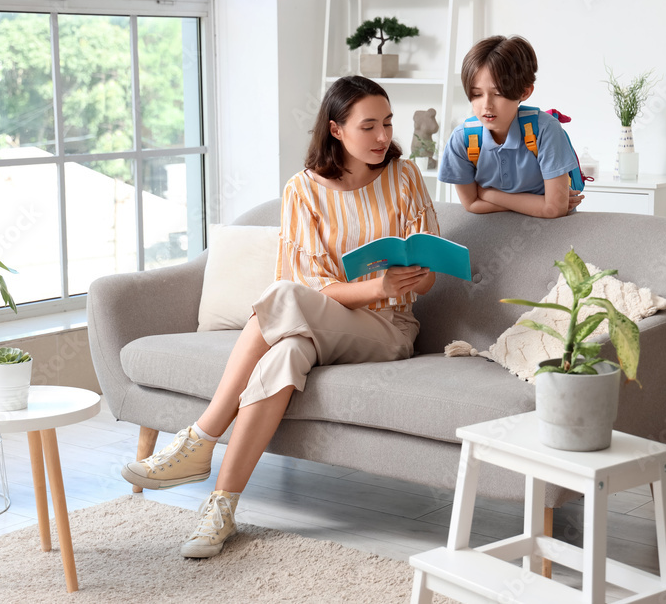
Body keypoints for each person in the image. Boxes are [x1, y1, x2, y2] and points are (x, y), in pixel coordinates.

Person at [121, 76, 438, 558]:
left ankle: (201, 437)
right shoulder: (302, 191)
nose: (382, 137)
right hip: (321, 321)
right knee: (284, 356)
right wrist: (375, 285)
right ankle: (221, 509)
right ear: (335, 129)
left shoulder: (406, 176)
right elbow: (311, 284)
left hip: (389, 329)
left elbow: (429, 272)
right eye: (368, 125)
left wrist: (410, 279)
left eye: (388, 123)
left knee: (283, 297)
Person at [437, 34, 585, 218]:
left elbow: (554, 210)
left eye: (498, 93)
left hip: (554, 234)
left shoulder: (546, 130)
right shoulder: (462, 139)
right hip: (495, 233)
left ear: (524, 92)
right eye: (476, 94)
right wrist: (538, 203)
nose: (486, 105)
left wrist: (486, 193)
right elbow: (471, 204)